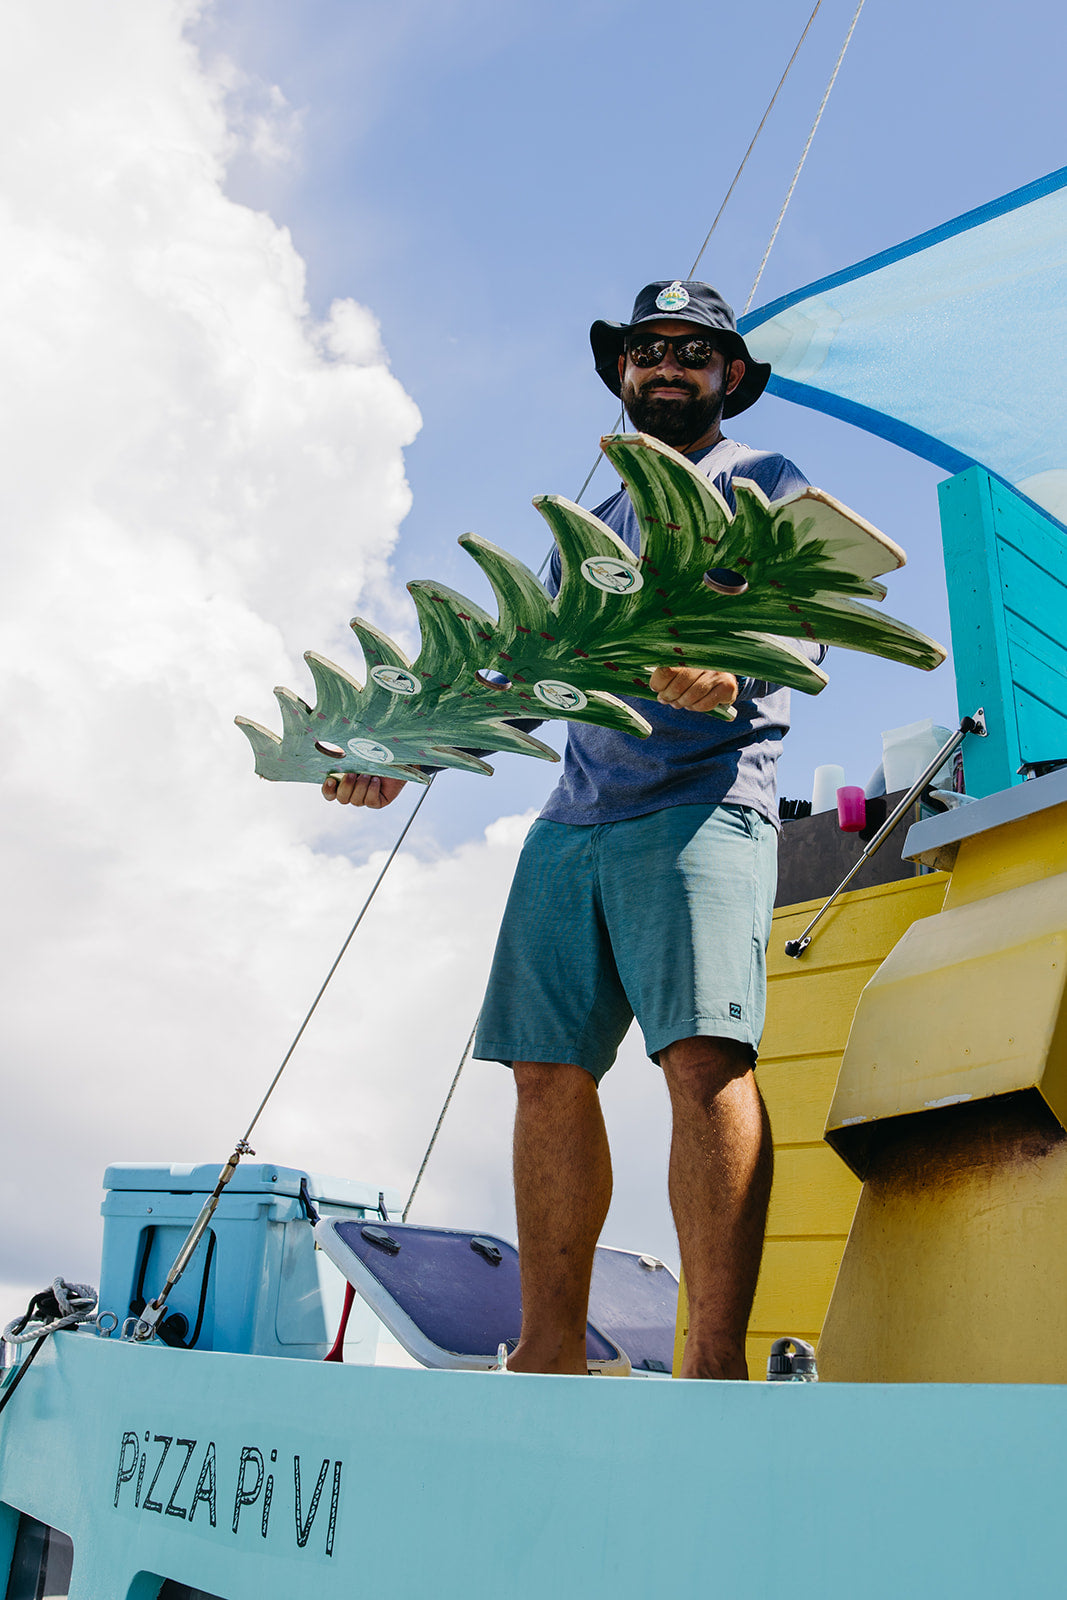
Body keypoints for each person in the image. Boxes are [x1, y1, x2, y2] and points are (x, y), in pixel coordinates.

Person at [324, 280, 822, 1380]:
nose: (667, 366)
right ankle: (546, 1350)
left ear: (728, 377)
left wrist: (731, 658)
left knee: (702, 1061)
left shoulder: (765, 481)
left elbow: (807, 611)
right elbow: (527, 675)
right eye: (648, 350)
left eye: (693, 352)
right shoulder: (587, 527)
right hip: (571, 818)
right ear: (621, 373)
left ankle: (709, 1361)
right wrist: (410, 756)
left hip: (701, 802)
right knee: (542, 1069)